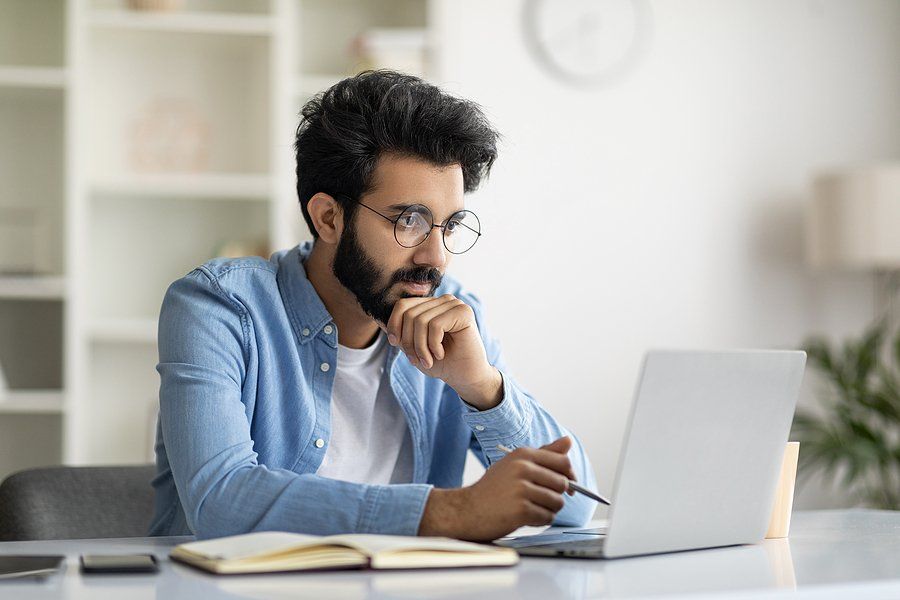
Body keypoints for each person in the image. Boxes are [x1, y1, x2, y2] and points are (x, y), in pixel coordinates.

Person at [149, 70, 597, 541]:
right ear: (328, 218)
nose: (436, 257)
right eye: (409, 221)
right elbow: (220, 501)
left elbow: (575, 507)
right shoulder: (220, 307)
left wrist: (482, 386)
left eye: (449, 225)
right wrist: (453, 512)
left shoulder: (454, 315)